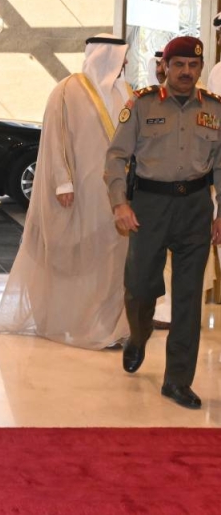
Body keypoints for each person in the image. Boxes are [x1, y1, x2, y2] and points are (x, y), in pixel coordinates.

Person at [0, 35, 131, 349]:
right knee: (74, 259)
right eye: (120, 56)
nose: (124, 62)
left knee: (112, 259)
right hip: (79, 190)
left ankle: (108, 327)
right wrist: (62, 182)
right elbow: (54, 140)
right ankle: (71, 321)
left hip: (115, 193)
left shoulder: (126, 91)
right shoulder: (67, 90)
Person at [106, 35, 221, 410]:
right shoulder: (141, 105)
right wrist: (120, 203)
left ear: (200, 68)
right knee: (140, 286)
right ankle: (138, 335)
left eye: (193, 65)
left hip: (195, 208)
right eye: (179, 65)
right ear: (165, 67)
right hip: (149, 208)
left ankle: (177, 381)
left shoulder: (214, 108)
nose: (186, 72)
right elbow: (116, 156)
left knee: (189, 298)